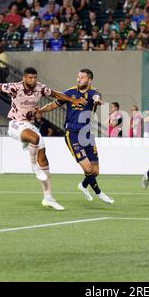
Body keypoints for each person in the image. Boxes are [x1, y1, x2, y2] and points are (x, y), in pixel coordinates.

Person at [0, 67, 87, 211]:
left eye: (35, 78)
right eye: (30, 78)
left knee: (44, 157)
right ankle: (33, 166)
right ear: (24, 78)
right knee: (34, 139)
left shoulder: (40, 88)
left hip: (30, 125)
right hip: (15, 124)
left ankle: (48, 197)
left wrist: (72, 99)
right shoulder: (15, 87)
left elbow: (56, 94)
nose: (33, 80)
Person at [40, 69, 114, 205]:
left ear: (89, 80)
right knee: (87, 169)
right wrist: (39, 110)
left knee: (95, 171)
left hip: (87, 135)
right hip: (72, 134)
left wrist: (98, 101)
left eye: (82, 77)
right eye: (78, 77)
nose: (78, 79)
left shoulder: (94, 93)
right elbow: (53, 105)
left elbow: (96, 98)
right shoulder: (69, 93)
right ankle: (100, 193)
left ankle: (84, 185)